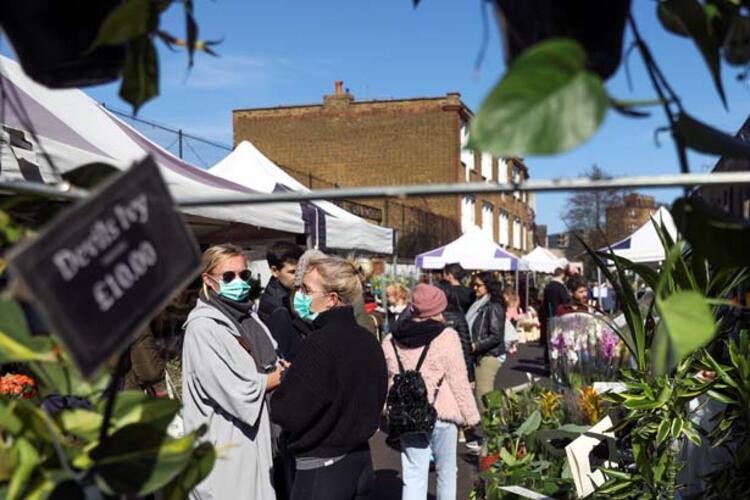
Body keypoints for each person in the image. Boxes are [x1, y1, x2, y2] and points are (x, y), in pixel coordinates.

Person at [271, 254, 388, 500]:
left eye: (307, 289)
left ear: (331, 299)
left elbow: (287, 411)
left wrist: (288, 379)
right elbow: (376, 395)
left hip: (322, 468)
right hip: (361, 460)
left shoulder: (319, 343)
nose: (299, 294)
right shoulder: (368, 340)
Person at [182, 244, 285, 499]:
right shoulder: (202, 327)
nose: (238, 282)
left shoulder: (248, 315)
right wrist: (275, 378)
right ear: (208, 279)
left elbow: (268, 355)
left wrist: (279, 367)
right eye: (228, 276)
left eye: (244, 275)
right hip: (227, 442)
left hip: (257, 436)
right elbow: (231, 388)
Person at [382, 284, 480, 500]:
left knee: (414, 474)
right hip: (442, 413)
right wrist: (471, 416)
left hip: (407, 414)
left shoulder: (391, 339)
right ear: (438, 309)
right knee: (446, 471)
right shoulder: (446, 336)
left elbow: (388, 377)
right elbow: (458, 380)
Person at [466, 272, 506, 415]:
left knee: (485, 397)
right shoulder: (477, 305)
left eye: (478, 285)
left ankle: (494, 431)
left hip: (488, 355)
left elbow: (496, 336)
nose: (475, 288)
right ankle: (494, 430)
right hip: (480, 355)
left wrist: (477, 345)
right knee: (484, 396)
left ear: (488, 286)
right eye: (473, 285)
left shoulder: (493, 306)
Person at [258, 241, 305, 360]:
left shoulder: (289, 293)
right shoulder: (277, 306)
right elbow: (285, 351)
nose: (299, 277)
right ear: (275, 271)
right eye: (293, 272)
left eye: (301, 271)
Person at [541, 267, 571, 364]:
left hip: (549, 316)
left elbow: (544, 302)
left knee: (550, 341)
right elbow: (566, 301)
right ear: (562, 275)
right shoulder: (560, 287)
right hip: (560, 316)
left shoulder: (548, 286)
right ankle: (559, 363)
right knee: (561, 340)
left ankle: (548, 363)